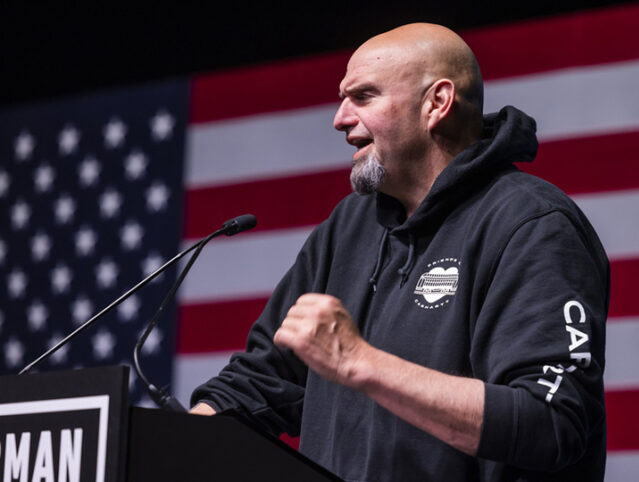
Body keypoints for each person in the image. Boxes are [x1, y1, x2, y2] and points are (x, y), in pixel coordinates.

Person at [191, 23, 609, 481]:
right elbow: (262, 383)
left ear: (437, 103)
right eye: (342, 98)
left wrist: (359, 362)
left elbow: (551, 422)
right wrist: (167, 444)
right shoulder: (347, 227)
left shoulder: (533, 224)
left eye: (364, 97)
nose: (339, 118)